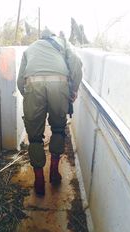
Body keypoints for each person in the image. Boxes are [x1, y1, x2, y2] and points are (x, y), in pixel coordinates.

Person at [17, 28, 82, 196]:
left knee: (35, 137)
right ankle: (54, 171)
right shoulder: (64, 43)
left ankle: (39, 180)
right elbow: (76, 62)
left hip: (33, 85)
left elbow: (19, 80)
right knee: (59, 129)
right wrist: (73, 90)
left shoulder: (30, 48)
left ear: (40, 38)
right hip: (59, 84)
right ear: (53, 36)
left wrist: (29, 96)